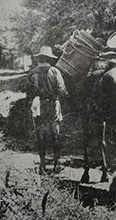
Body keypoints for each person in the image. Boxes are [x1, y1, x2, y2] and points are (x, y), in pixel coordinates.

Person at [27, 46, 69, 174]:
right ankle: (56, 164)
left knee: (40, 134)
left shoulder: (32, 72)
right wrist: (65, 98)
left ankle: (42, 165)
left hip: (37, 104)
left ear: (39, 58)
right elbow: (61, 89)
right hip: (52, 103)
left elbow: (28, 91)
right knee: (55, 133)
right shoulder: (55, 71)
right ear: (49, 58)